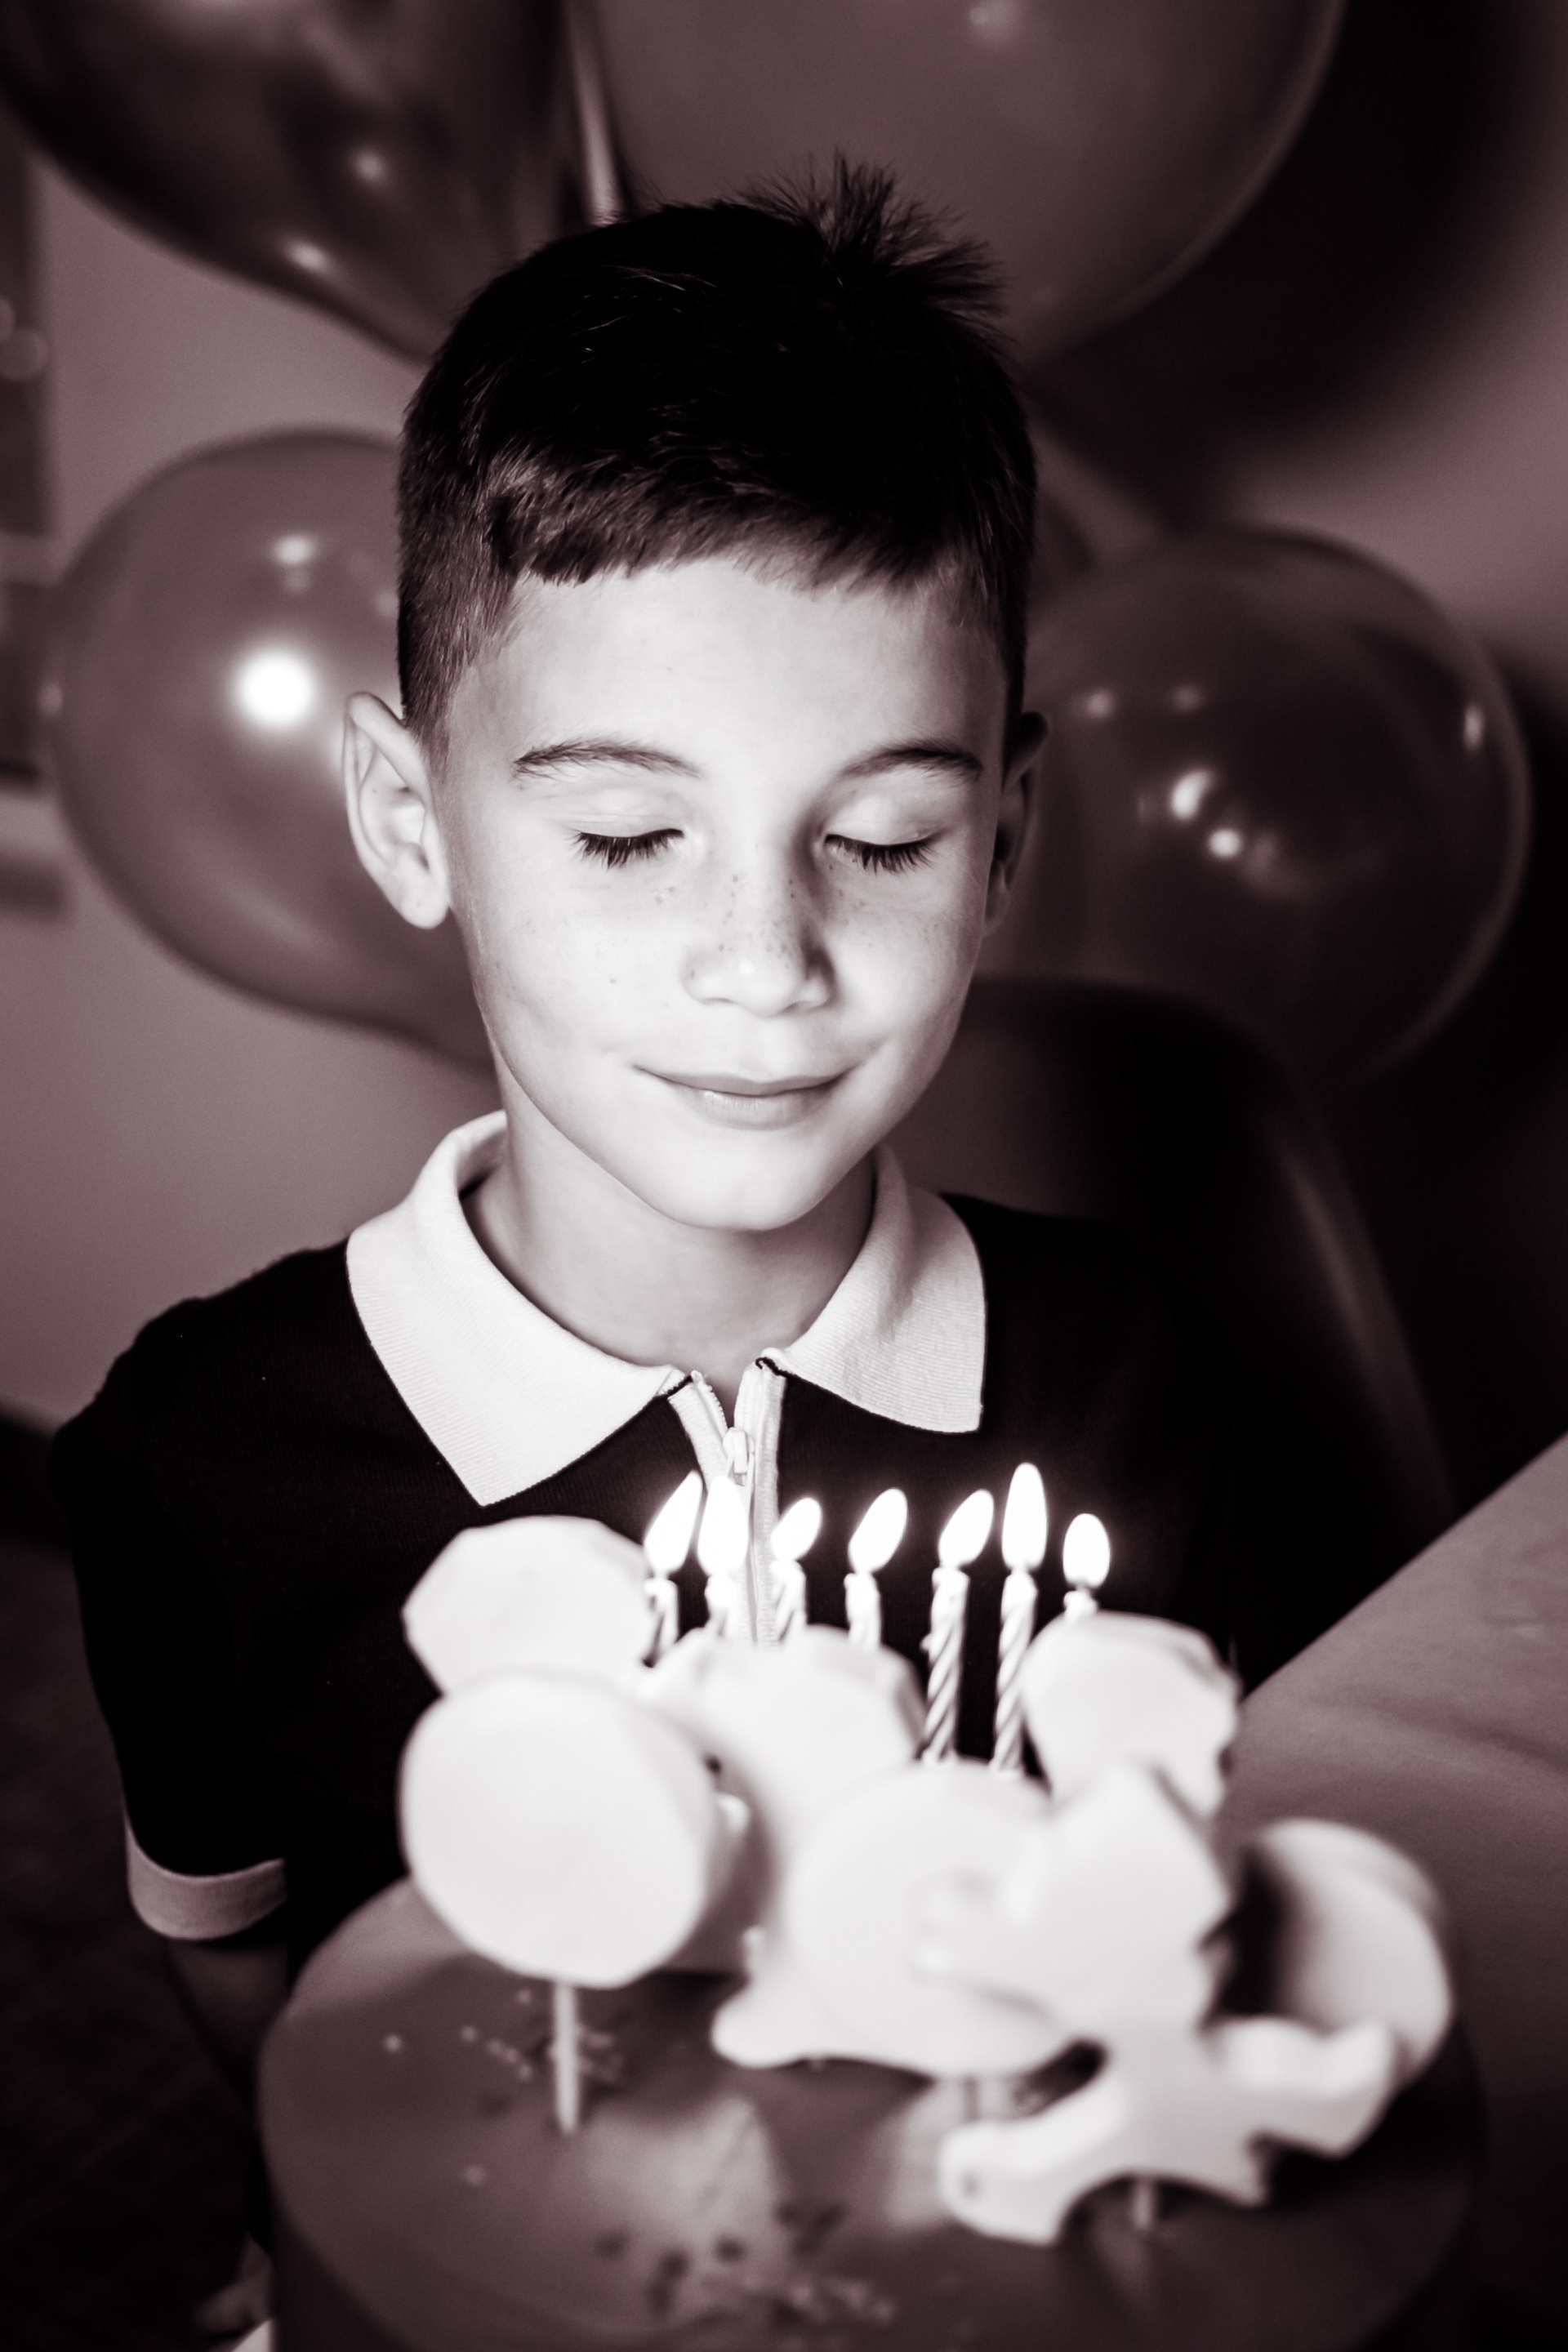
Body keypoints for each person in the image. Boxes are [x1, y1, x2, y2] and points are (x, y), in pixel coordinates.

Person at [54, 167, 1266, 2132]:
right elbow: (236, 1951)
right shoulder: (197, 1458)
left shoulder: (1142, 1381)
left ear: (1003, 846)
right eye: (629, 838)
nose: (763, 963)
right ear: (411, 820)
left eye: (879, 840)